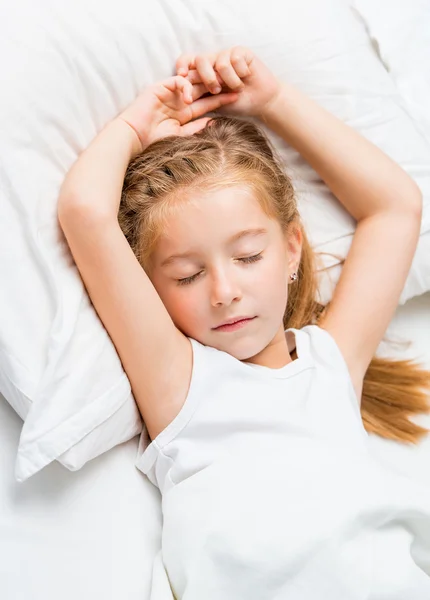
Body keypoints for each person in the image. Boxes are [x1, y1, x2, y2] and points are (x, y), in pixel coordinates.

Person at [58, 47, 430, 598]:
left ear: (291, 249)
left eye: (249, 257)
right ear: (152, 290)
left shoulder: (330, 363)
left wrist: (275, 101)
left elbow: (397, 208)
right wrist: (135, 125)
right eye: (187, 275)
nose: (225, 292)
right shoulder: (180, 383)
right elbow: (85, 212)